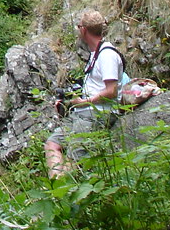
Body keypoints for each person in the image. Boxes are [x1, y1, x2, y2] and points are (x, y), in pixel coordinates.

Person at [44, 10, 123, 179]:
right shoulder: (96, 54)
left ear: (84, 30)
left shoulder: (107, 55)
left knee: (76, 158)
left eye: (79, 26)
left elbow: (111, 91)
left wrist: (85, 101)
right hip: (83, 112)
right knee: (52, 143)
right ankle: (56, 185)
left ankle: (61, 188)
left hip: (96, 112)